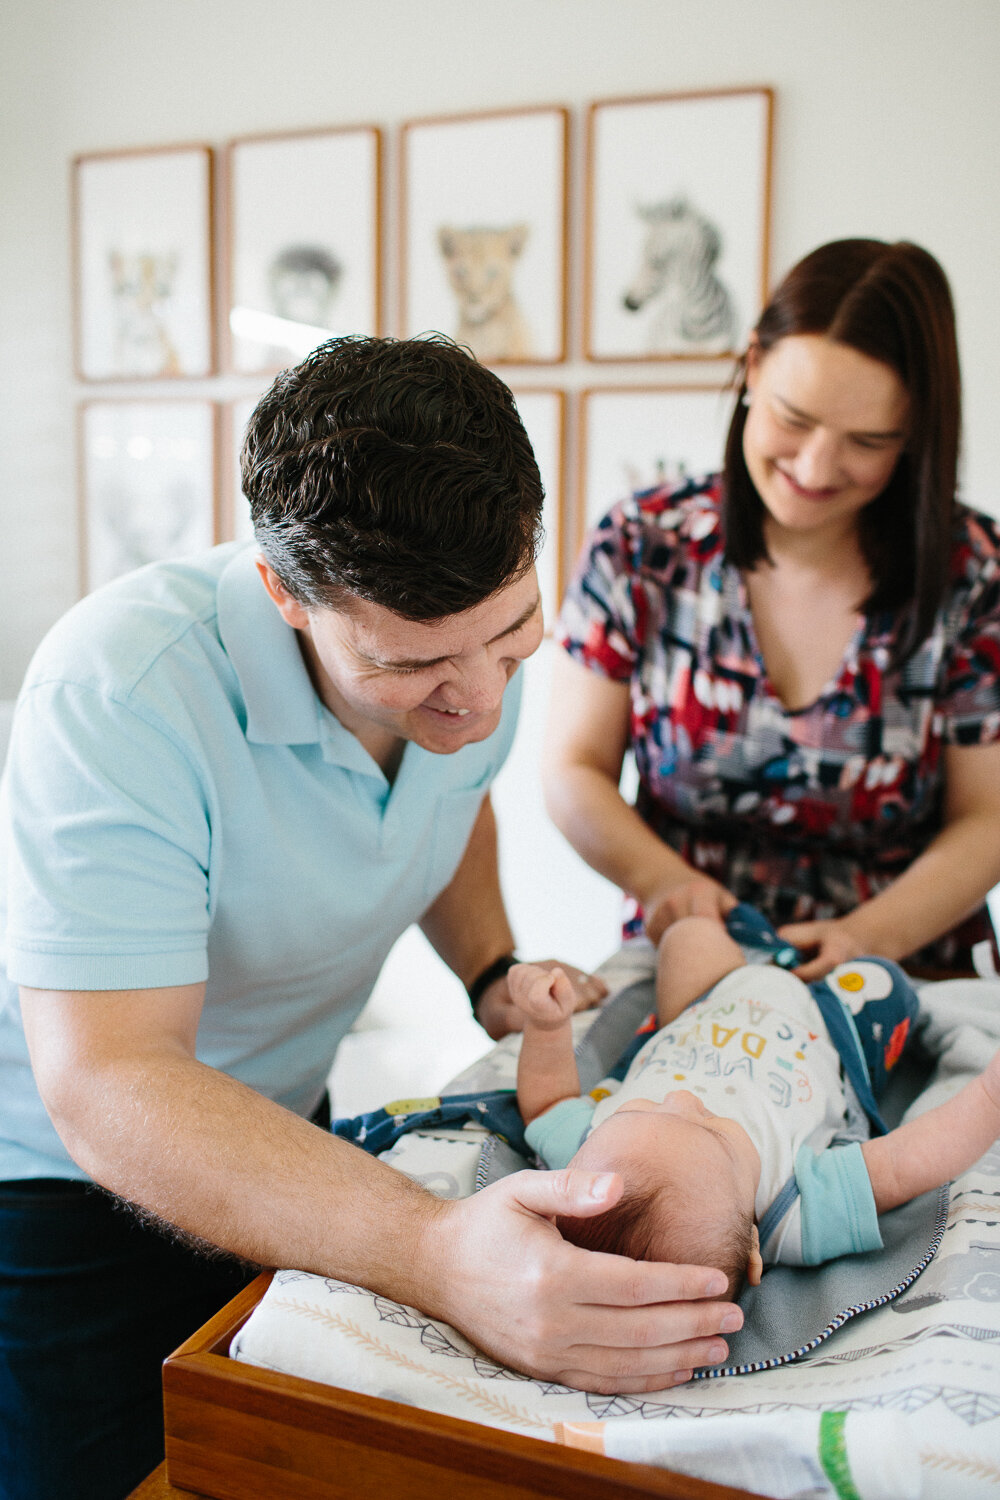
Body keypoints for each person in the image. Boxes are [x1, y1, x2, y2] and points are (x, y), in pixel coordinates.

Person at [0, 336, 742, 1500]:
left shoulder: (460, 656)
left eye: (512, 636)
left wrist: (489, 967)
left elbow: (452, 804)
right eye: (417, 665)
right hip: (66, 1188)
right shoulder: (118, 693)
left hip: (285, 1125)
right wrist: (434, 1251)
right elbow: (108, 1080)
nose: (484, 698)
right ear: (283, 595)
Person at [546, 239, 1000, 982]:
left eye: (867, 441)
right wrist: (669, 886)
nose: (816, 468)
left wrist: (865, 938)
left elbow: (989, 818)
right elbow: (573, 768)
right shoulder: (642, 544)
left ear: (916, 432)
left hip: (904, 978)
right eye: (795, 419)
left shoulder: (974, 575)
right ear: (753, 368)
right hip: (686, 964)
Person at [511, 915, 1000, 1299]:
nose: (685, 1098)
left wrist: (546, 1026)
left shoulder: (586, 1162)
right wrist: (988, 1098)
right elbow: (905, 1163)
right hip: (831, 1031)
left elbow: (548, 1103)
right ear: (752, 1247)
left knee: (690, 935)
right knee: (884, 981)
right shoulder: (790, 1211)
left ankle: (758, 948)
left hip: (707, 1002)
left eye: (639, 1109)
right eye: (711, 1128)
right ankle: (801, 967)